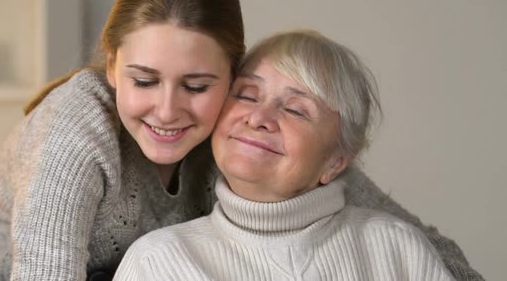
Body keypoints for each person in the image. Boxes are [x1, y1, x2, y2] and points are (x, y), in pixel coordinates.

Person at [0, 0, 481, 281]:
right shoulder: (77, 127)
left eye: (197, 85)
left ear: (233, 75)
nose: (168, 111)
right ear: (113, 65)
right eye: (144, 81)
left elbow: (343, 187)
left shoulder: (244, 125)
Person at [113, 30, 455, 280]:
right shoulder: (157, 262)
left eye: (295, 109)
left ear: (336, 162)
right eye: (247, 95)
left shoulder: (396, 249)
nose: (259, 118)